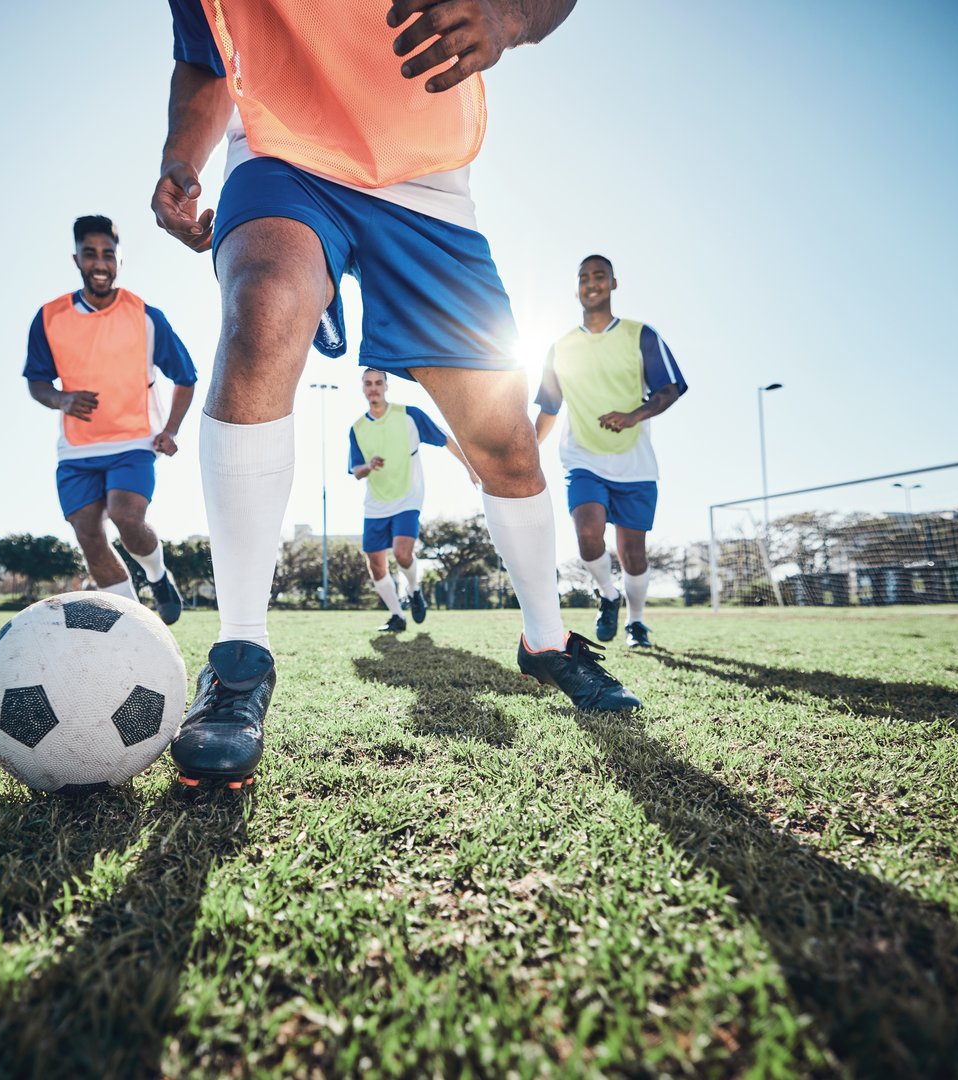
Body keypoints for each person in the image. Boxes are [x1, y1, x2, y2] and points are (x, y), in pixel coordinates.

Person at [155, 0, 640, 789]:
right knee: (263, 309)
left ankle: (545, 641)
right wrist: (181, 157)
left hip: (424, 181)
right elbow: (207, 52)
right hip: (282, 150)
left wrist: (507, 16)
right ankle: (239, 655)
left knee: (506, 446)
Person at [22, 215, 197, 625]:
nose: (100, 263)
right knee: (88, 534)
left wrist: (170, 430)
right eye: (90, 254)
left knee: (126, 517)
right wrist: (61, 399)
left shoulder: (146, 316)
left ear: (119, 260)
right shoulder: (49, 318)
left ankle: (157, 574)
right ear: (76, 259)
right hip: (77, 448)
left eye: (108, 255)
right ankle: (135, 625)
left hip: (134, 441)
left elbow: (185, 377)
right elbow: (36, 381)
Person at [534, 254, 688, 648]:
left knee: (633, 553)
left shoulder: (641, 335)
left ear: (613, 284)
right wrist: (526, 451)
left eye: (599, 275)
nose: (591, 282)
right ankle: (607, 593)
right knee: (587, 532)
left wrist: (635, 414)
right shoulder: (561, 347)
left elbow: (669, 388)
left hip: (634, 462)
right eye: (584, 277)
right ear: (576, 288)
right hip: (583, 457)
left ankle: (636, 622)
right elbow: (549, 408)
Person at [349, 367, 478, 631]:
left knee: (402, 552)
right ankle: (397, 616)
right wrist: (369, 466)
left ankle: (414, 589)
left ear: (386, 386)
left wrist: (470, 468)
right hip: (375, 503)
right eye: (368, 383)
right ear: (363, 388)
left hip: (408, 497)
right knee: (375, 564)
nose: (373, 387)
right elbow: (356, 471)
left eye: (378, 382)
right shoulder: (357, 428)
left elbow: (446, 440)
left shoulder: (409, 416)